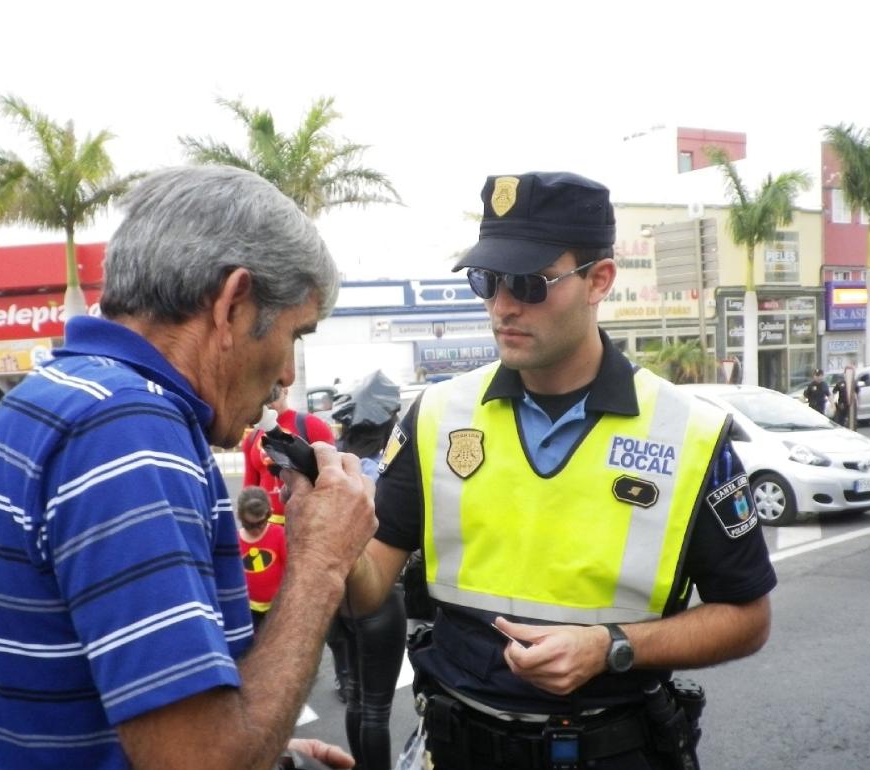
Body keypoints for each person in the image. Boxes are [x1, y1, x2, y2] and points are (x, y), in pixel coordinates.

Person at [344, 172, 775, 769]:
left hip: (612, 749)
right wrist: (324, 530)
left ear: (600, 280)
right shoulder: (435, 416)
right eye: (488, 281)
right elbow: (369, 585)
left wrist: (612, 648)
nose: (502, 306)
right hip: (458, 743)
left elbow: (747, 618)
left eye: (529, 283)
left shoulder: (689, 433)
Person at [0, 166, 376, 770]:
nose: (286, 376)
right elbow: (199, 762)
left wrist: (264, 747)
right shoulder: (128, 433)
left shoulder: (49, 399)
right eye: (295, 334)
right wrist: (322, 563)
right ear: (232, 303)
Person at [330, 371, 409, 770]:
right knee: (377, 709)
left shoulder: (331, 464)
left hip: (334, 597)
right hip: (378, 595)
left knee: (357, 696)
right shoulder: (385, 472)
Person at [244, 383, 336, 524]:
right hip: (266, 528)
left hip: (305, 525)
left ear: (285, 390)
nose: (269, 402)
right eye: (265, 396)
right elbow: (250, 486)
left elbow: (332, 479)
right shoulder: (252, 438)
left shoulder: (312, 425)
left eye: (274, 394)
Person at [237, 486, 285, 632]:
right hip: (248, 608)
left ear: (269, 513)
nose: (256, 530)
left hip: (277, 606)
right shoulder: (236, 540)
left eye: (260, 523)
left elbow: (292, 569)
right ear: (240, 517)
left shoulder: (278, 534)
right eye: (249, 525)